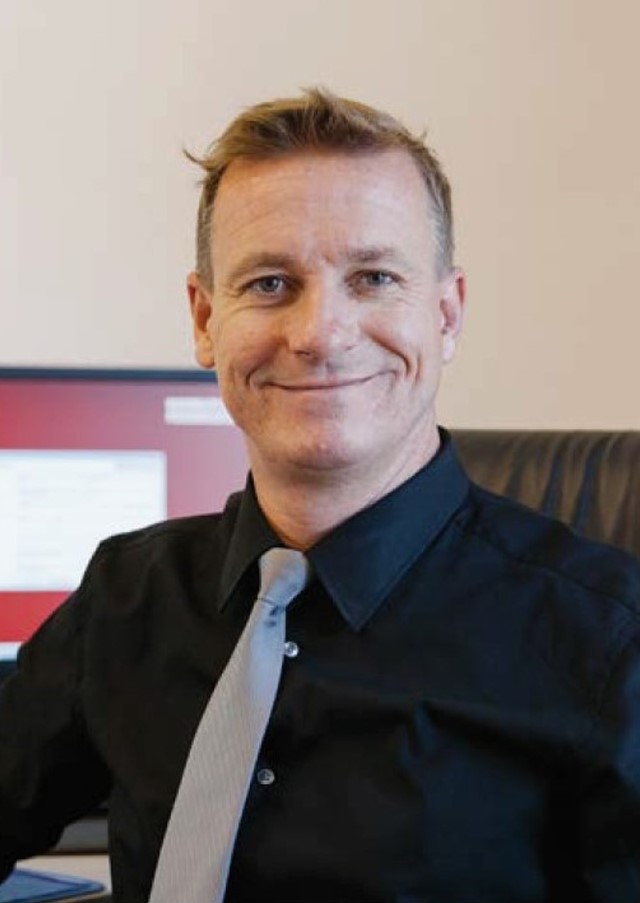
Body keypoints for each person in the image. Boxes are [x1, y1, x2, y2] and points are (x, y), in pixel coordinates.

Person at [1, 88, 640, 903]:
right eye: (270, 283)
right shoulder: (128, 599)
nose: (319, 334)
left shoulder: (606, 643)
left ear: (446, 315)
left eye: (373, 277)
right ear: (204, 319)